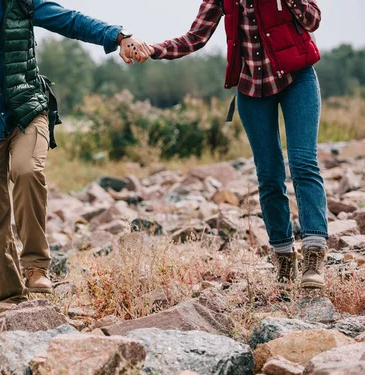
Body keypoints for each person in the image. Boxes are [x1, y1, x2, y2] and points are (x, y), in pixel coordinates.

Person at [0, 0, 152, 310]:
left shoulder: (21, 3)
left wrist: (120, 36)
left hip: (26, 111)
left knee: (26, 171)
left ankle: (37, 268)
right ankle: (11, 297)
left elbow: (72, 21)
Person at [134, 0, 327, 289]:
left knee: (302, 162)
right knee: (269, 174)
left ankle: (314, 254)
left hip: (297, 79)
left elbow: (312, 20)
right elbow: (195, 37)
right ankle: (284, 258)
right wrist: (154, 49)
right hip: (251, 89)